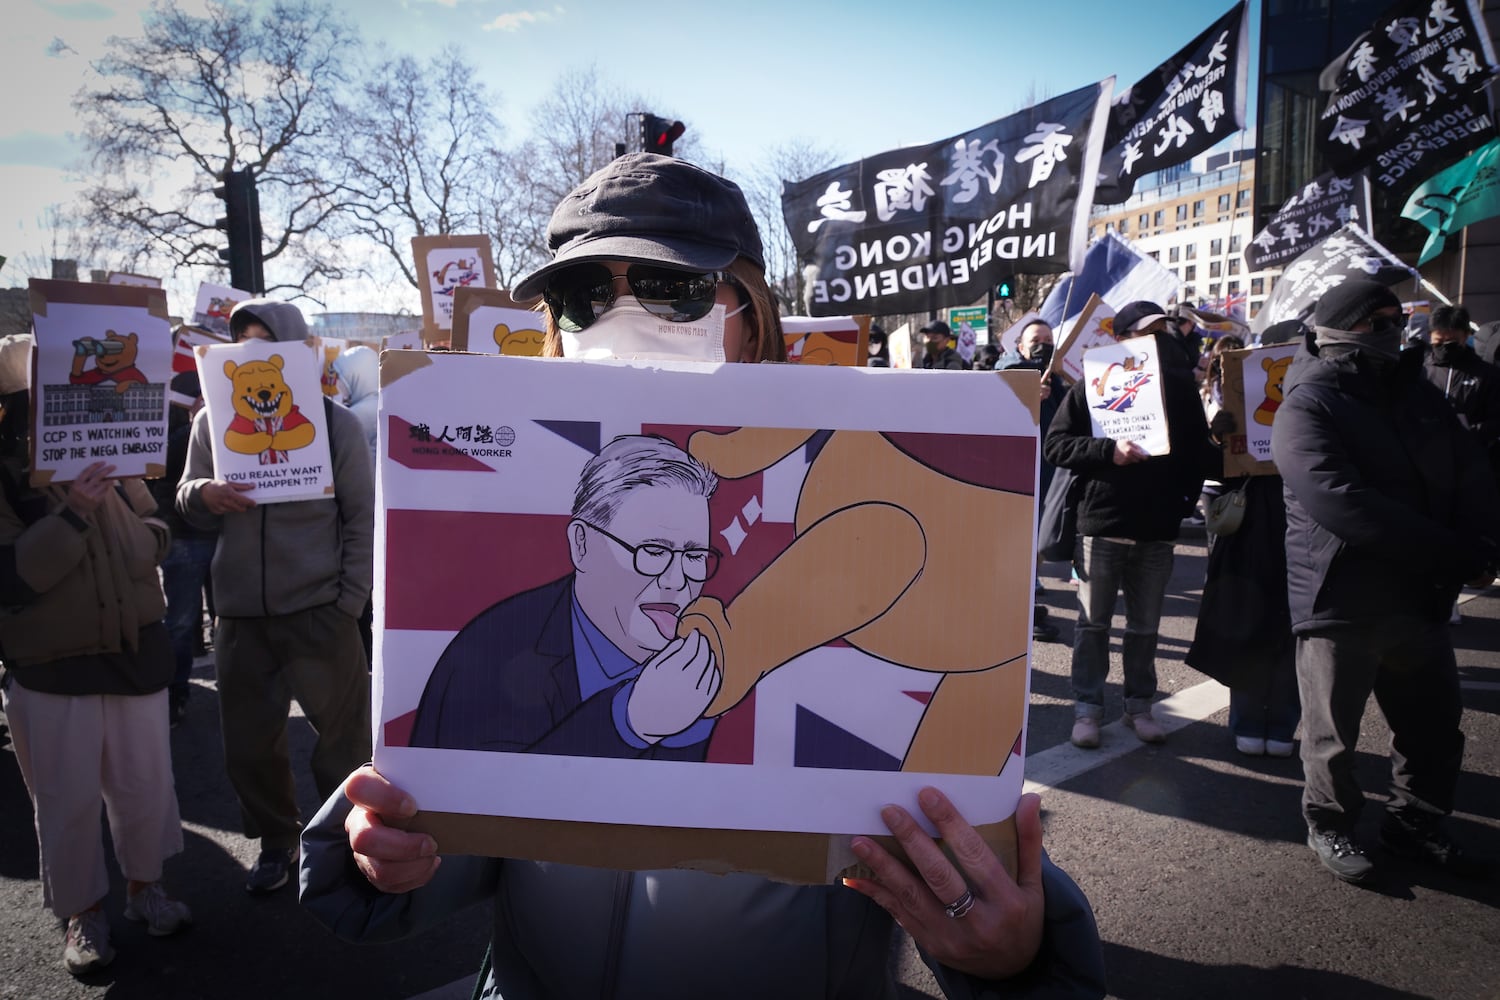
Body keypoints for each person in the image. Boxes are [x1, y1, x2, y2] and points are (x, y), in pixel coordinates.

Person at [299, 153, 1106, 999]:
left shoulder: (848, 519)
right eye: (584, 295)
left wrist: (1021, 956)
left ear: (750, 317)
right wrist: (378, 849)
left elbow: (958, 856)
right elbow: (453, 837)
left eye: (670, 288)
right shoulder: (496, 633)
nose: (619, 318)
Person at [1271, 279, 1497, 883]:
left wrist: (1483, 541)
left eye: (1399, 320)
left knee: (1433, 727)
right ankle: (1332, 824)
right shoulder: (1308, 402)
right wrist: (1451, 553)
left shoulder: (1417, 394)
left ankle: (1415, 822)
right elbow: (1341, 501)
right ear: (1339, 328)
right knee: (1333, 736)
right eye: (1379, 322)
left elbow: (1470, 467)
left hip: (1418, 596)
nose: (1396, 332)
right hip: (1342, 597)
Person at [0, 334, 190, 975]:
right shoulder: (4, 474)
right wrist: (75, 513)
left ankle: (146, 890)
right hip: (52, 667)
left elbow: (153, 540)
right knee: (65, 798)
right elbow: (18, 576)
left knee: (145, 787)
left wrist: (120, 508)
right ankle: (83, 915)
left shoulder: (116, 458)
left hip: (136, 655)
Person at [176, 299, 375, 896]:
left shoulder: (334, 423)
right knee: (249, 747)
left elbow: (361, 520)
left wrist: (348, 601)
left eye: (269, 343)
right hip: (240, 617)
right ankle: (276, 841)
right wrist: (202, 495)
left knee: (342, 743)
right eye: (245, 346)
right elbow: (185, 499)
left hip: (320, 613)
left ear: (296, 349)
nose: (256, 355)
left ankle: (347, 840)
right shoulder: (211, 423)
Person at [410, 434, 722, 758]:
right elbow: (480, 798)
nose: (676, 580)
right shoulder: (491, 652)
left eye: (694, 556)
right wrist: (628, 724)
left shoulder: (703, 667)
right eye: (654, 551)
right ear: (582, 545)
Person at [1043, 301, 1220, 749]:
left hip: (1156, 530)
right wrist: (1108, 452)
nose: (1158, 338)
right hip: (1100, 525)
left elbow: (1199, 454)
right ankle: (1088, 709)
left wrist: (1184, 497)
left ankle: (1138, 706)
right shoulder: (1093, 383)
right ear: (1120, 337)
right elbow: (1057, 446)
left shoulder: (1180, 388)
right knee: (1092, 625)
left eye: (1164, 330)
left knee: (1144, 628)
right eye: (1146, 330)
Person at [1186, 326, 1300, 759]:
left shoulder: (1321, 392)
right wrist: (1216, 436)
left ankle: (1283, 721)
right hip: (1252, 528)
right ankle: (1250, 719)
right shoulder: (1240, 390)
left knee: (1293, 629)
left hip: (1303, 525)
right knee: (1249, 622)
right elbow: (1211, 466)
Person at [146, 370, 218, 727]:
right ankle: (176, 692)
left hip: (221, 536)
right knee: (181, 619)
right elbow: (165, 483)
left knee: (226, 618)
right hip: (186, 539)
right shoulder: (182, 433)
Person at [1000, 319, 1065, 642]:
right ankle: (1018, 603)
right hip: (1017, 466)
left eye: (1049, 339)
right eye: (1036, 340)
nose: (1043, 344)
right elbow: (996, 402)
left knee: (1039, 530)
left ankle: (1030, 587)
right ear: (1021, 347)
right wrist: (1025, 394)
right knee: (1017, 532)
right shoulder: (1012, 370)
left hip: (1050, 466)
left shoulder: (1059, 376)